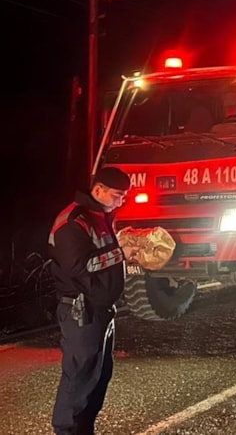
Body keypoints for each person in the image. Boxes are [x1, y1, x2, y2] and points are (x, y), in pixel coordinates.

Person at [49, 167, 139, 435]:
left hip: (100, 309)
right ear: (98, 190)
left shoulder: (99, 216)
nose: (121, 201)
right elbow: (79, 266)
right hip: (80, 310)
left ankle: (84, 429)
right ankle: (66, 430)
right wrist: (120, 253)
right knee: (79, 376)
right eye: (117, 195)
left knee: (98, 376)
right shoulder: (73, 221)